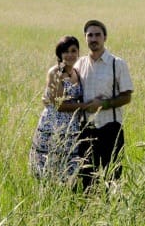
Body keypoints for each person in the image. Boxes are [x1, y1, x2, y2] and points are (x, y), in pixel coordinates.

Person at [74, 20, 134, 189]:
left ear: (105, 37)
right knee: (87, 181)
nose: (94, 39)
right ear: (85, 38)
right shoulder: (79, 64)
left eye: (97, 35)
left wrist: (104, 104)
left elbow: (127, 97)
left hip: (111, 128)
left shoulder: (117, 63)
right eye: (89, 35)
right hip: (85, 130)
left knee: (112, 180)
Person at [29, 35, 90, 182]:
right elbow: (59, 105)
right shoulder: (55, 72)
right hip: (55, 125)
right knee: (50, 166)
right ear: (60, 54)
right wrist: (85, 106)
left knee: (69, 168)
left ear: (78, 53)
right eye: (65, 51)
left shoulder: (76, 72)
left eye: (73, 51)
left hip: (72, 126)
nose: (70, 55)